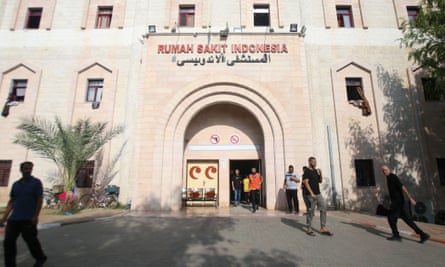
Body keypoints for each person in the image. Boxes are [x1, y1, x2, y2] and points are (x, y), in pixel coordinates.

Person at [0, 161, 47, 267]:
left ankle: (40, 258)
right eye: (26, 169)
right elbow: (12, 201)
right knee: (8, 242)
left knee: (31, 241)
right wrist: (4, 218)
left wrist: (35, 216)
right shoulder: (16, 185)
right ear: (21, 170)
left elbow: (39, 199)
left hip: (28, 218)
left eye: (30, 169)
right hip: (14, 219)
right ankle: (10, 264)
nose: (28, 171)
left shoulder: (36, 183)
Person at [382, 165, 430, 243]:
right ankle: (423, 235)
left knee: (391, 218)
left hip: (398, 202)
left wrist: (410, 198)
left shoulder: (393, 177)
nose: (384, 172)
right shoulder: (388, 178)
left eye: (385, 170)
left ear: (389, 169)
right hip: (397, 202)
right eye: (383, 171)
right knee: (408, 220)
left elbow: (402, 187)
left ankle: (396, 235)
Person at [303, 157, 332, 236]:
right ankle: (309, 228)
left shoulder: (316, 171)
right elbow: (306, 182)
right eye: (313, 162)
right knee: (311, 211)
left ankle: (323, 227)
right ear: (309, 162)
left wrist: (320, 173)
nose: (315, 163)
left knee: (323, 207)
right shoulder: (307, 171)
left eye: (315, 162)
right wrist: (311, 193)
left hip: (318, 194)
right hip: (310, 195)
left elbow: (320, 181)